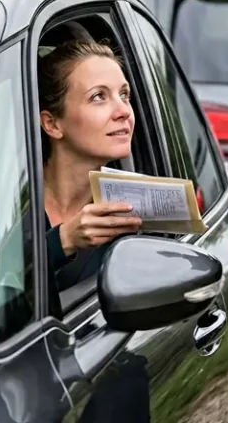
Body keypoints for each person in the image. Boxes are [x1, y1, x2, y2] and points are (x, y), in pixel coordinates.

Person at [36, 39, 143, 290]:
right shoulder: (7, 204)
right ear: (52, 124)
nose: (124, 111)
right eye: (99, 97)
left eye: (124, 95)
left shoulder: (132, 214)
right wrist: (62, 241)